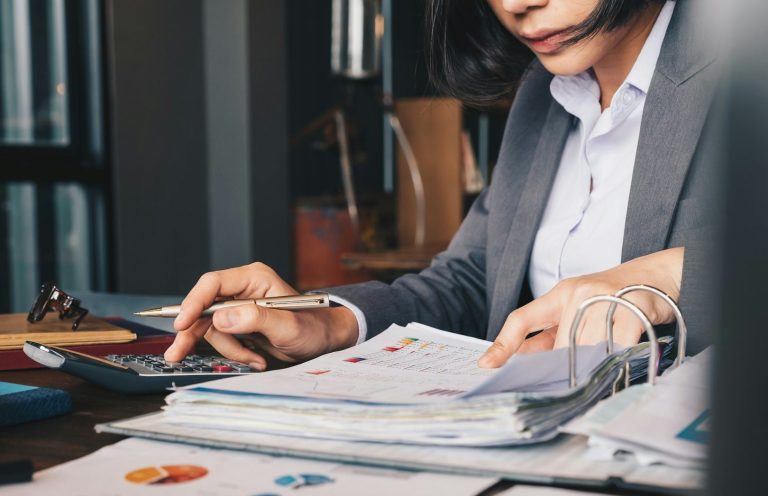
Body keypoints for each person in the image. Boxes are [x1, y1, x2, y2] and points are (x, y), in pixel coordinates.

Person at [165, 0, 718, 371]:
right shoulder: (541, 96)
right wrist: (329, 324)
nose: (517, 3)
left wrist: (668, 275)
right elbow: (472, 282)